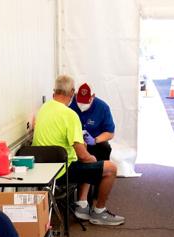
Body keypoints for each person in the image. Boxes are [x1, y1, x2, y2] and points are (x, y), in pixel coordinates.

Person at [33, 74, 126, 226]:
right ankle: (99, 212)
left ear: (53, 93)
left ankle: (82, 203)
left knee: (89, 158)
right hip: (62, 171)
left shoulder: (43, 109)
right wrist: (92, 159)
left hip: (43, 168)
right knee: (110, 168)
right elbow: (82, 156)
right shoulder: (70, 115)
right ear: (72, 94)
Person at [71, 82, 115, 162]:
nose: (82, 105)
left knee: (105, 147)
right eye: (80, 101)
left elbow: (110, 133)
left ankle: (102, 170)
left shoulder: (102, 107)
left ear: (93, 96)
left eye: (85, 101)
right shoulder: (70, 105)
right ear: (75, 95)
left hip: (94, 143)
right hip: (75, 143)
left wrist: (95, 140)